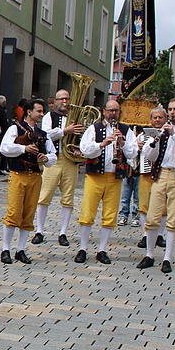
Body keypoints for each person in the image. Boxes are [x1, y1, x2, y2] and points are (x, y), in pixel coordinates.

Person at [136, 98, 175, 273]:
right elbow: (150, 156)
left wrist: (174, 135)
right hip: (160, 174)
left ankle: (167, 258)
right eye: (170, 109)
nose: (172, 112)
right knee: (152, 217)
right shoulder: (161, 130)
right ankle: (149, 255)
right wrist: (153, 141)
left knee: (173, 219)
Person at [75, 100, 137, 264]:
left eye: (116, 111)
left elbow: (132, 153)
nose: (113, 114)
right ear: (103, 111)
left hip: (114, 178)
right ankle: (82, 248)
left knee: (110, 215)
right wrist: (102, 144)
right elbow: (85, 149)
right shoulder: (94, 128)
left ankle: (102, 250)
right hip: (95, 176)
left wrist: (122, 143)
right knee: (87, 213)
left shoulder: (125, 129)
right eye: (110, 111)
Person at [0, 99, 57, 264]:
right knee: (14, 212)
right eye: (38, 111)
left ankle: (21, 250)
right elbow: (4, 148)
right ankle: (5, 249)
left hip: (36, 177)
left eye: (42, 111)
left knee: (29, 214)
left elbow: (53, 156)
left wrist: (46, 158)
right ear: (29, 112)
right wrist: (23, 148)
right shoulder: (15, 128)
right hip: (18, 174)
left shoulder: (43, 134)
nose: (41, 114)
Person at [33, 89, 86, 246]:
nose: (65, 102)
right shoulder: (50, 116)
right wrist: (65, 131)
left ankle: (63, 232)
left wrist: (79, 148)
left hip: (70, 161)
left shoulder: (78, 117)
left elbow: (83, 137)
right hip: (54, 160)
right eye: (61, 99)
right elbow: (45, 134)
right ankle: (39, 231)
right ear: (55, 101)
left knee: (68, 198)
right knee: (45, 195)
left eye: (67, 99)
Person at [135, 108, 169, 250]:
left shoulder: (169, 135)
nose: (157, 120)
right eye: (154, 117)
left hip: (162, 174)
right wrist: (137, 147)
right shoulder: (142, 136)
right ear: (150, 119)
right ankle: (145, 234)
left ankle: (160, 235)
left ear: (165, 119)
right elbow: (132, 153)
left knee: (163, 206)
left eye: (160, 117)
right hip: (146, 173)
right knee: (143, 205)